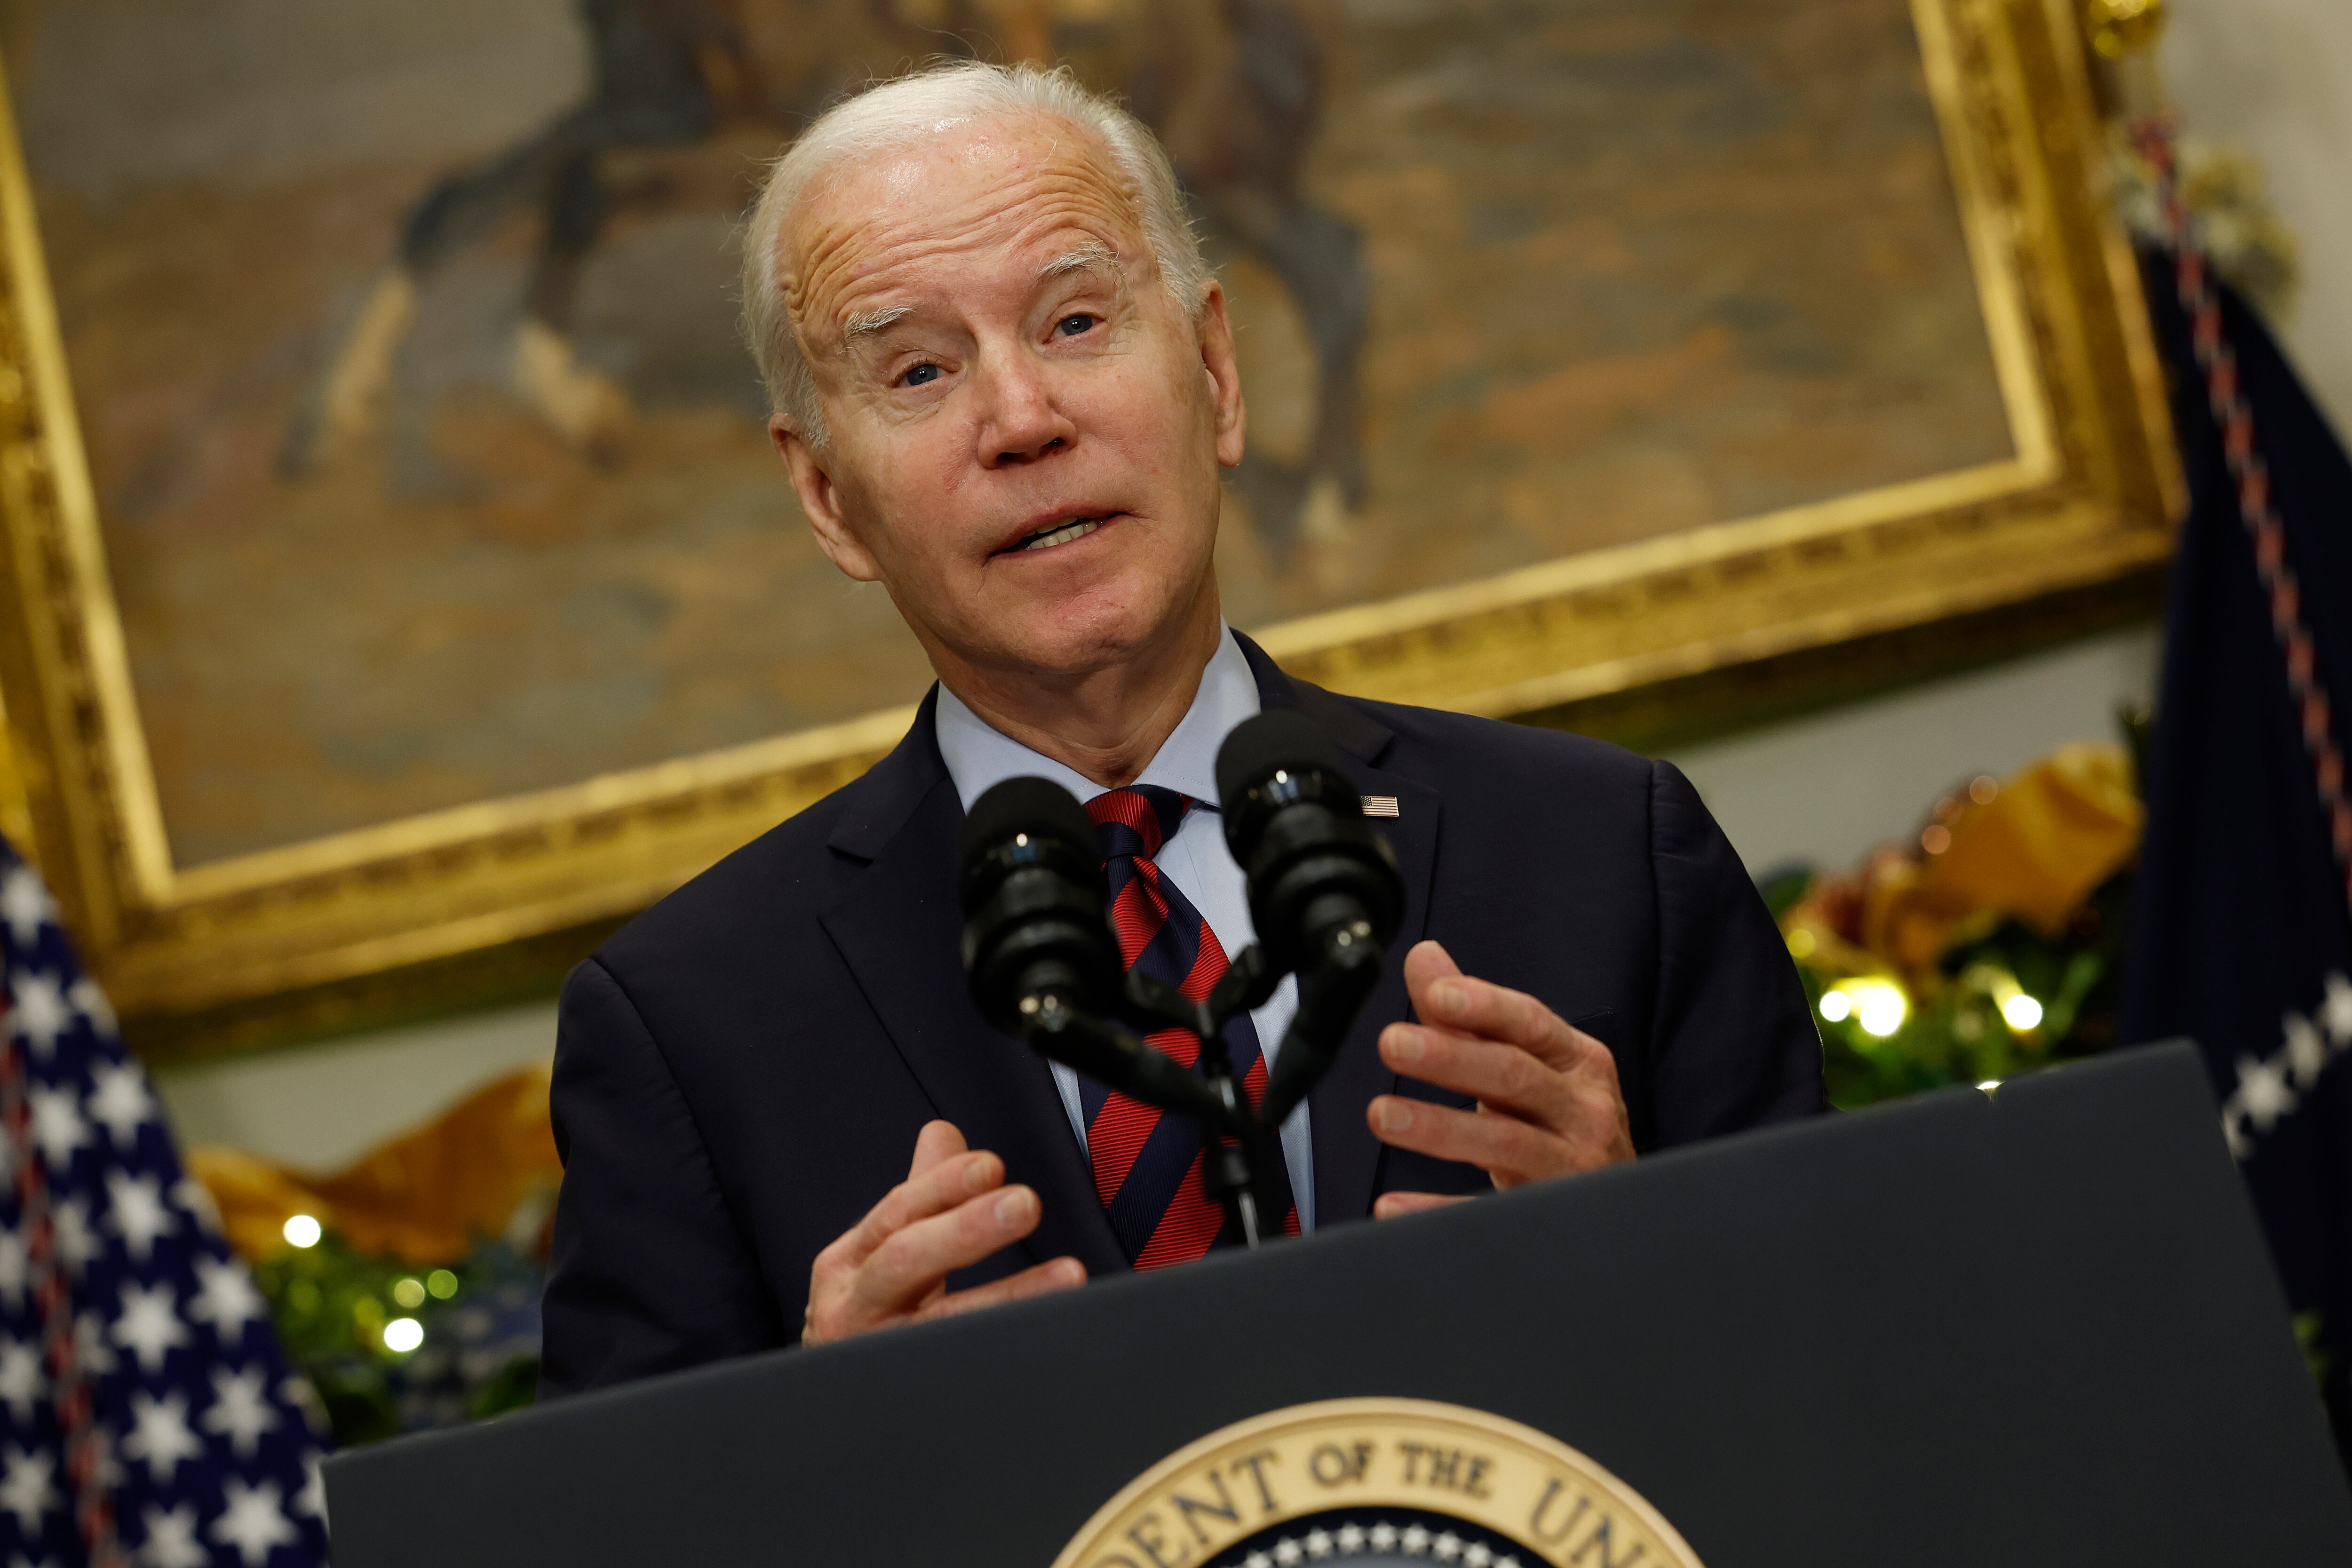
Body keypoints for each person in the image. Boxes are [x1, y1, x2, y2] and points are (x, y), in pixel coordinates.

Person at [539, 62, 1823, 1397]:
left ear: (1214, 371)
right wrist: (810, 1446)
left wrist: (1656, 1263)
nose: (1023, 420)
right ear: (826, 498)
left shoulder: (1602, 851)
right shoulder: (688, 1026)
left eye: (1078, 322)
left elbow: (1854, 1385)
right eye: (919, 369)